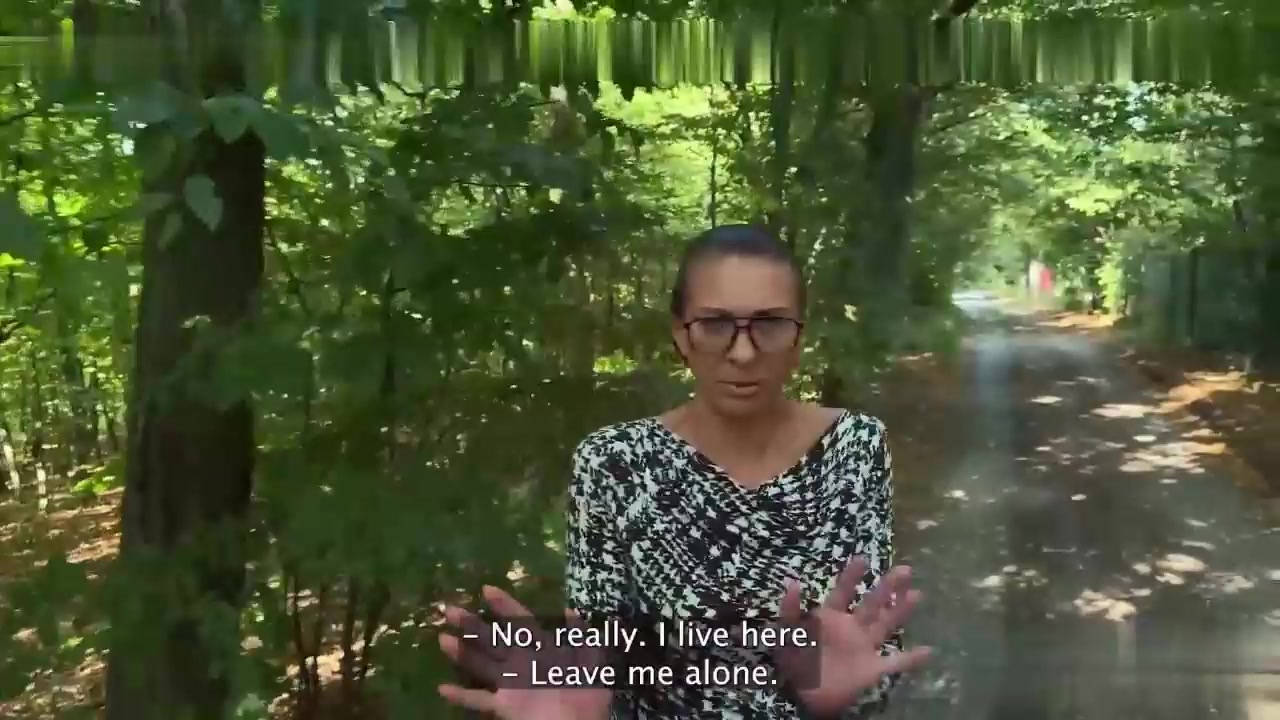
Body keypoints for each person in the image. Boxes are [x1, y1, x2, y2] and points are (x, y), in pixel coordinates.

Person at [437, 224, 931, 719]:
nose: (743, 352)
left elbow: (869, 644)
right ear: (680, 334)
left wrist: (845, 693)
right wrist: (580, 708)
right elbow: (600, 652)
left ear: (799, 335)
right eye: (715, 324)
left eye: (771, 323)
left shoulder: (855, 445)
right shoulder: (615, 463)